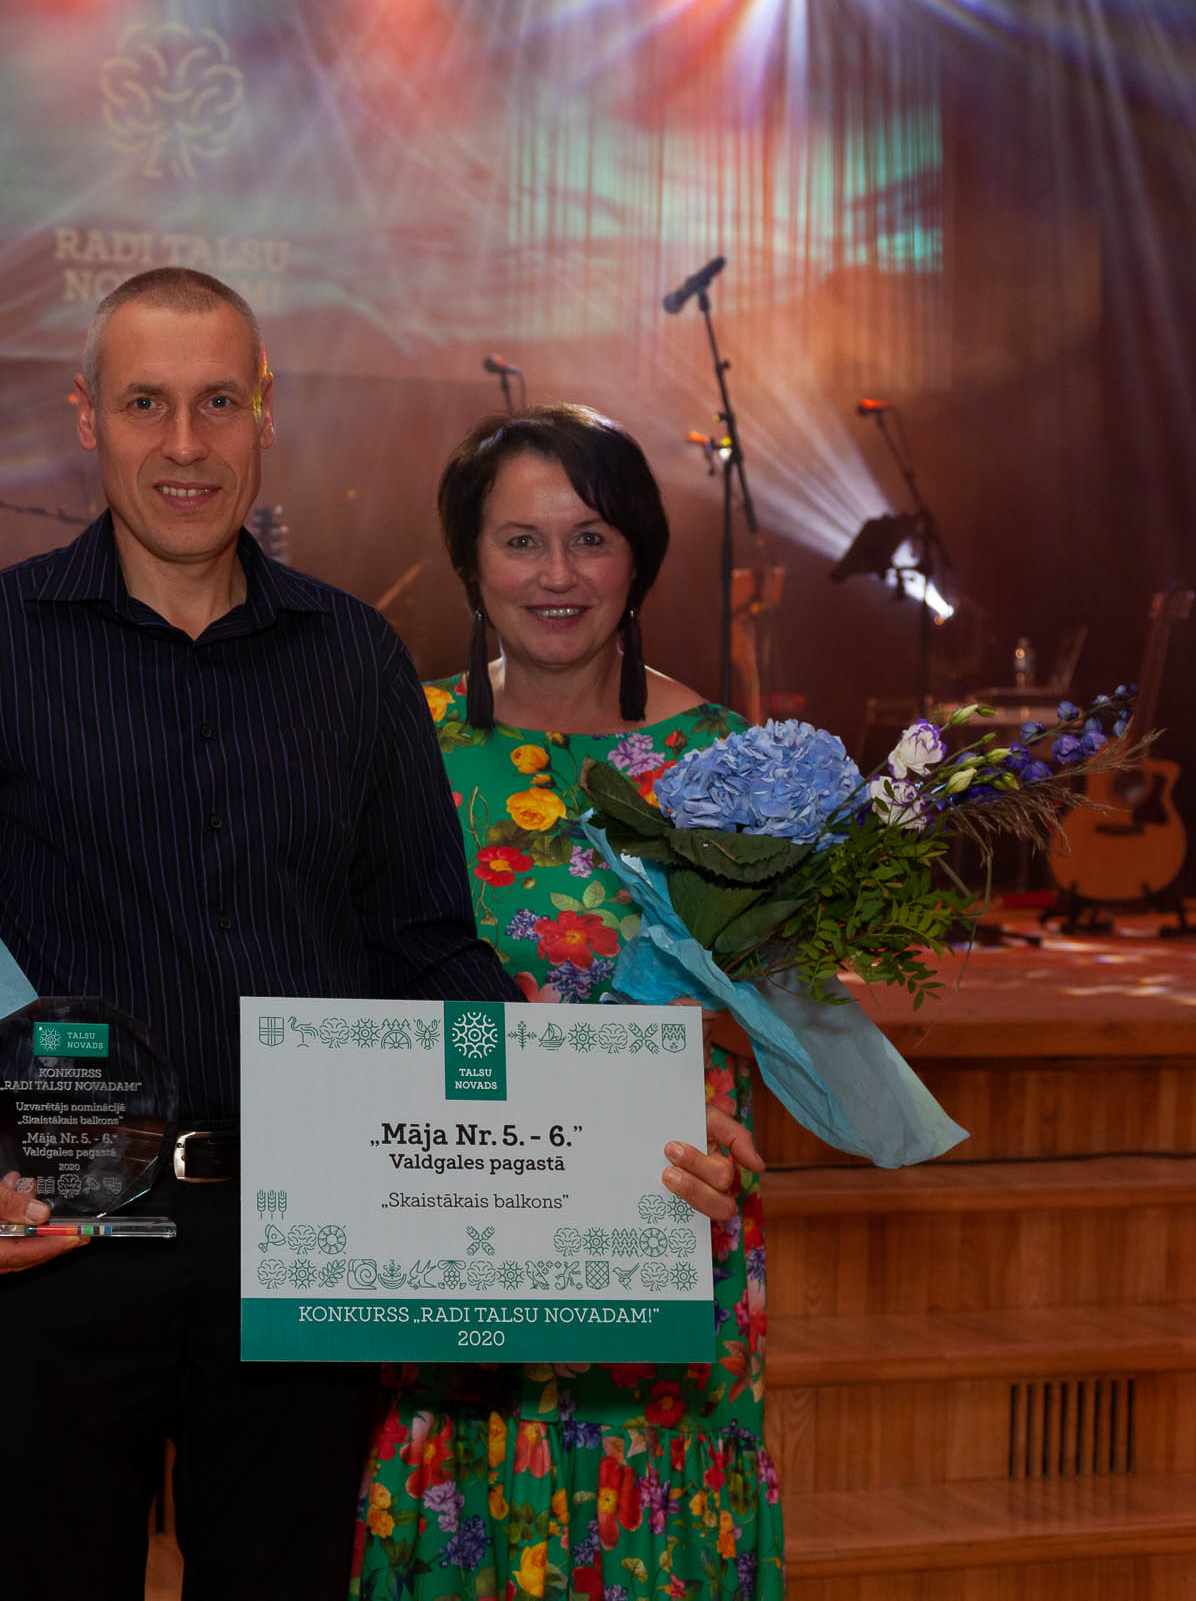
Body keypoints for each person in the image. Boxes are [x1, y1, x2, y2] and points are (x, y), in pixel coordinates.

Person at [0, 270, 755, 1600]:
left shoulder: (353, 656)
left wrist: (615, 1131)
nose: (185, 443)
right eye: (146, 403)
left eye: (219, 401)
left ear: (265, 411)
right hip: (52, 1222)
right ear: (87, 415)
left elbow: (429, 948)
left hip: (312, 1232)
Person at [352, 405, 784, 1600]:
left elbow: (778, 1006)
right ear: (469, 561)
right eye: (520, 540)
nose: (556, 574)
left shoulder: (721, 761)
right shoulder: (397, 743)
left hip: (665, 1212)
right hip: (452, 1216)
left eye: (589, 538)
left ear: (637, 557)